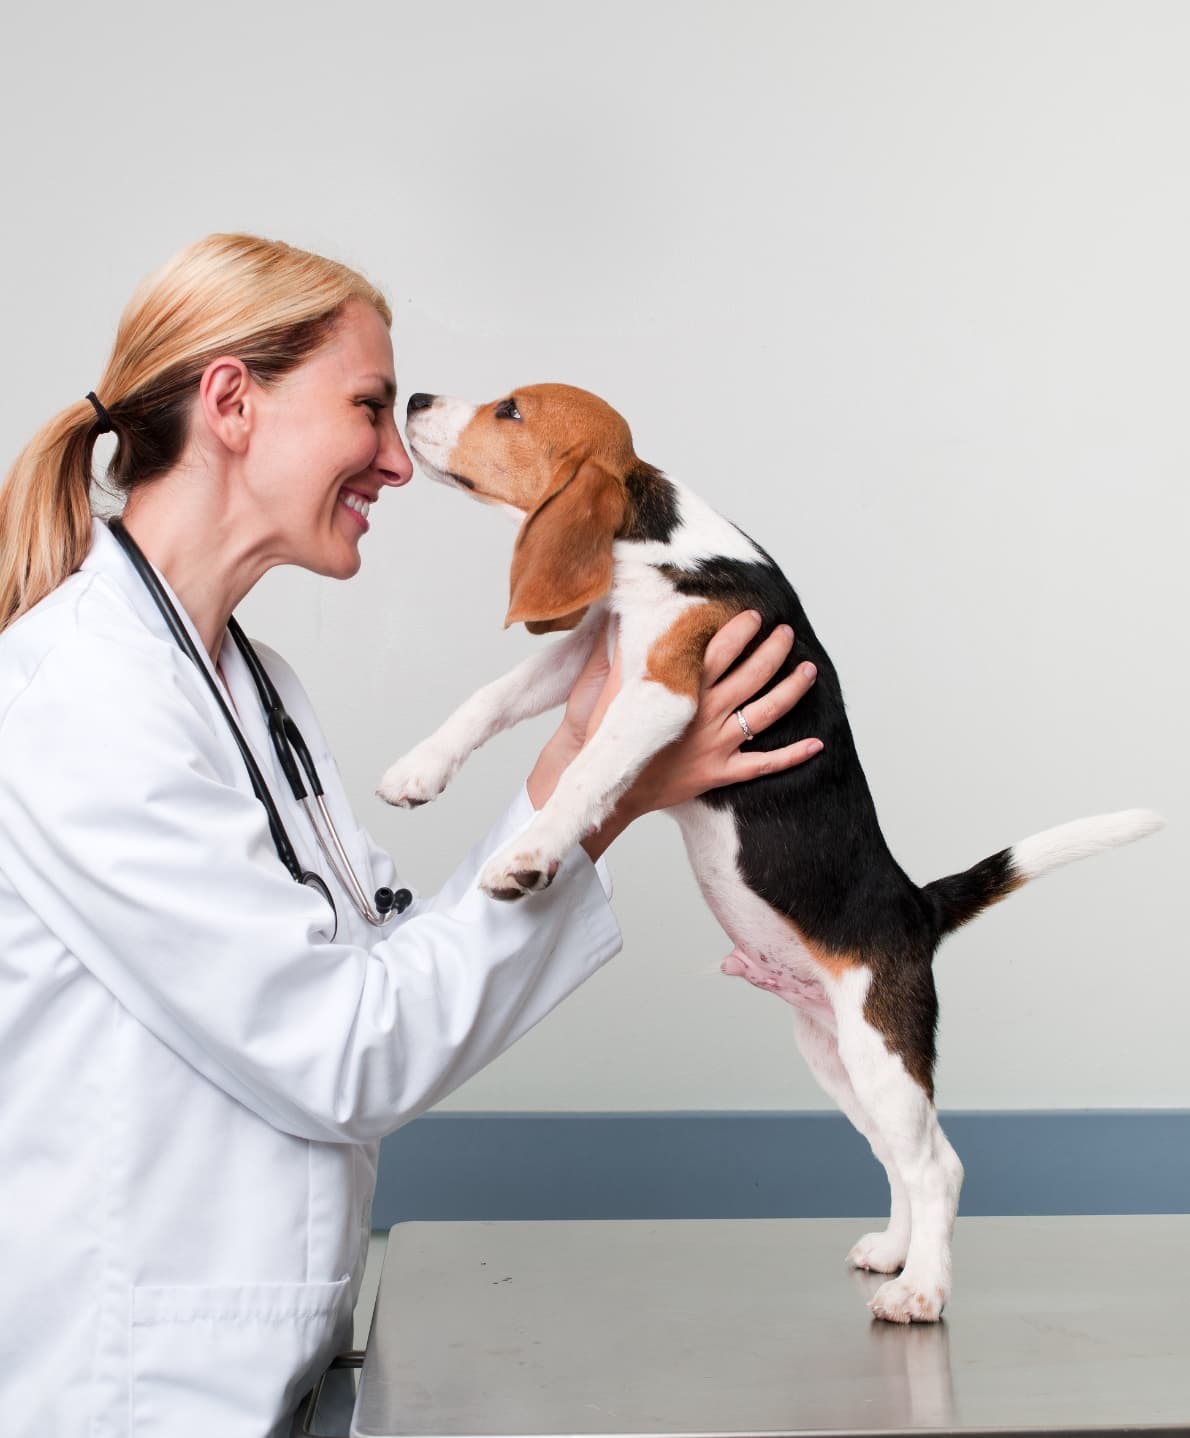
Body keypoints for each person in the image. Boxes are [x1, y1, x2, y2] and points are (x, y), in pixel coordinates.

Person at [0, 234, 820, 1437]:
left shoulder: (251, 683)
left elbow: (383, 966)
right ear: (232, 402)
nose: (397, 458)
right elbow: (345, 1052)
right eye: (370, 408)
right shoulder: (78, 698)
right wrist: (599, 805)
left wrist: (577, 773)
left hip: (266, 1372)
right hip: (134, 1395)